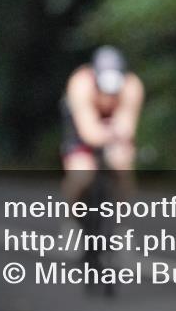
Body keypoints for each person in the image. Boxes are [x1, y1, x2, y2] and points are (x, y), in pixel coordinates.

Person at [60, 46, 144, 202]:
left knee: (122, 165)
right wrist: (105, 135)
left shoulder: (132, 85)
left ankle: (121, 216)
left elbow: (127, 125)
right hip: (82, 128)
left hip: (112, 131)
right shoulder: (81, 83)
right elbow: (87, 129)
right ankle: (71, 211)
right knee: (81, 173)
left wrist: (117, 139)